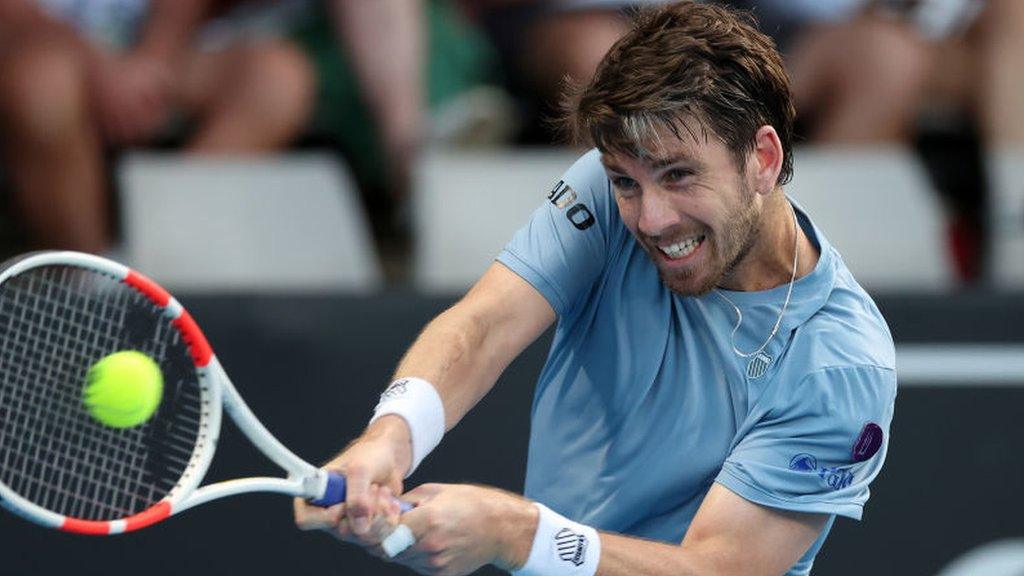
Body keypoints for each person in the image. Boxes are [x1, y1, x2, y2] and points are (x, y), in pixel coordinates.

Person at [294, 2, 897, 575]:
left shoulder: (840, 366)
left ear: (762, 158)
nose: (652, 218)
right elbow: (484, 326)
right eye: (625, 182)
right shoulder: (613, 190)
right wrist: (389, 439)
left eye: (679, 175)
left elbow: (715, 569)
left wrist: (517, 534)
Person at [0, 0, 314, 254]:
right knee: (43, 84)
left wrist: (153, 62)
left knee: (276, 80)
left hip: (155, 57)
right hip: (41, 53)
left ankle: (159, 262)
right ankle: (90, 281)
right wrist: (101, 67)